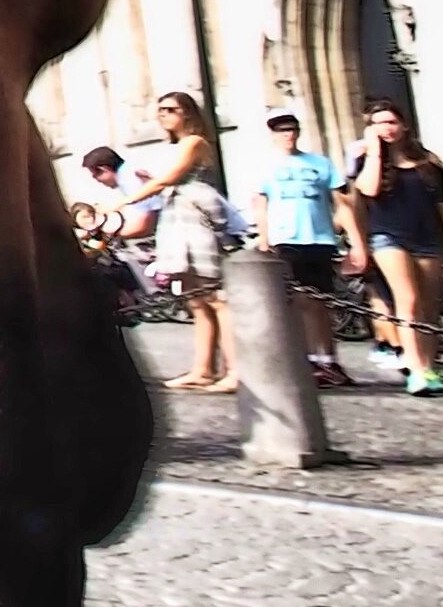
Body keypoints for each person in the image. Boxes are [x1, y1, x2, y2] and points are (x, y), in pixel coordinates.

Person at [339, 100, 443, 395]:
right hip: (388, 237)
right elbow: (368, 189)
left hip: (428, 238)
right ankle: (416, 368)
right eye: (378, 123)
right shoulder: (367, 162)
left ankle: (430, 365)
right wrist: (374, 151)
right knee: (407, 301)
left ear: (404, 125)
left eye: (391, 122)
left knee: (429, 306)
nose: (386, 128)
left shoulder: (428, 163)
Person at [248, 110, 356, 392]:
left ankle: (328, 359)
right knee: (297, 302)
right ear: (274, 134)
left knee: (322, 302)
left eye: (292, 130)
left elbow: (342, 201)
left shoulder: (320, 163)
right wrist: (264, 237)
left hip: (319, 238)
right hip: (286, 239)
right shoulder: (266, 166)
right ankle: (305, 358)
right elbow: (261, 202)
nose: (289, 135)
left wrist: (353, 237)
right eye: (283, 131)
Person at [133, 92, 232, 391]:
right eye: (160, 110)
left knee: (216, 300)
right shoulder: (174, 146)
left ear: (187, 113)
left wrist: (123, 202)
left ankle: (235, 369)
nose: (163, 115)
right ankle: (203, 369)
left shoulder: (195, 143)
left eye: (170, 109)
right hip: (177, 220)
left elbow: (168, 179)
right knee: (196, 301)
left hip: (195, 224)